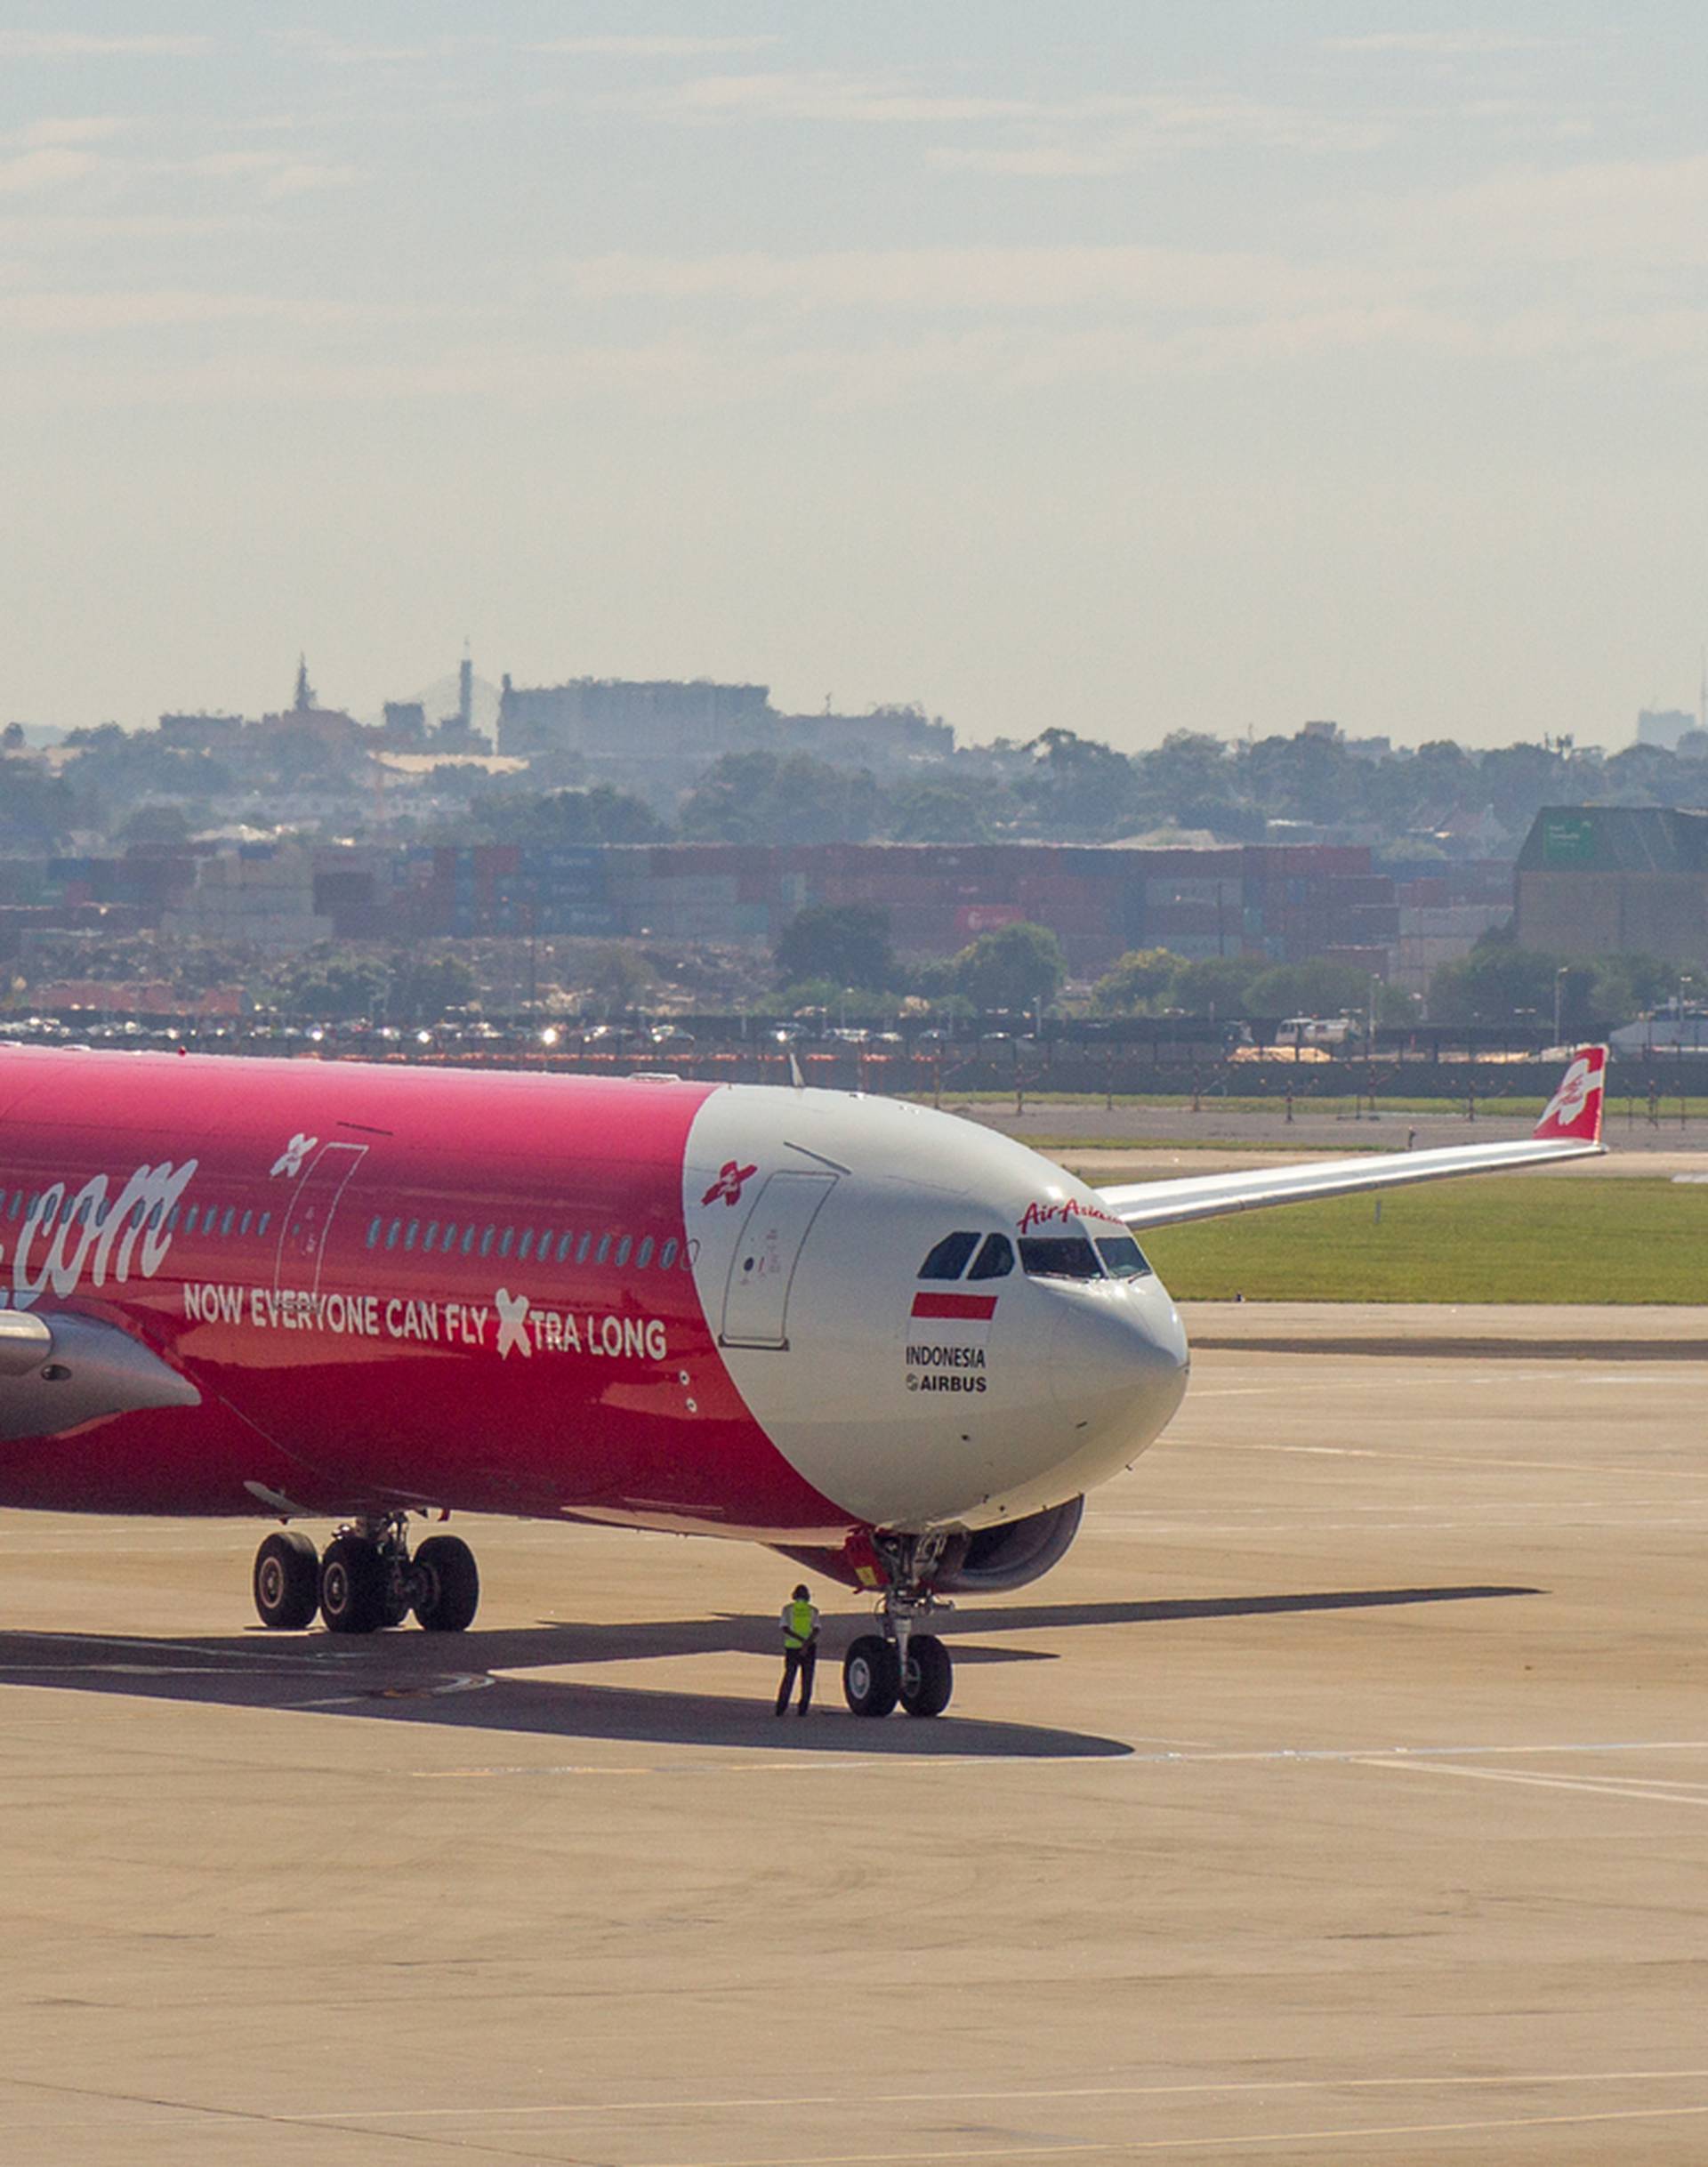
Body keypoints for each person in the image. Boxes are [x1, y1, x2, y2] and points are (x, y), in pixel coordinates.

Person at [776, 1583, 820, 1716]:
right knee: (807, 1679)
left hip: (792, 1647)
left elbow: (785, 1628)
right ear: (807, 1597)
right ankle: (803, 1709)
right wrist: (806, 1644)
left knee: (789, 1678)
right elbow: (817, 1629)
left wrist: (800, 1641)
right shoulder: (813, 1610)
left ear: (794, 1596)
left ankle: (781, 1707)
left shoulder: (788, 1610)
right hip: (809, 1648)